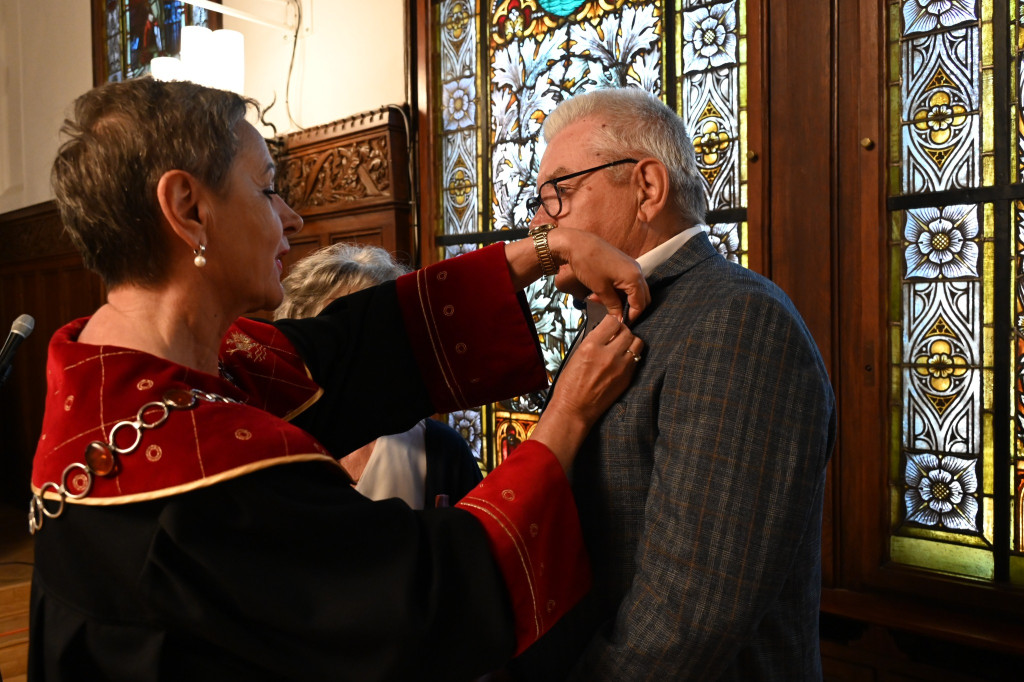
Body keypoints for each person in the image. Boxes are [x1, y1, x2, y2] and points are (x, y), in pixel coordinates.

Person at [27, 78, 650, 681]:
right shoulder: (197, 481)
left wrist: (543, 251)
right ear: (190, 209)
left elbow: (347, 351)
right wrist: (564, 420)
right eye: (268, 190)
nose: (292, 218)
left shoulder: (114, 376)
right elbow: (416, 598)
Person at [509, 88, 837, 679]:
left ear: (647, 189)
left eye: (560, 192)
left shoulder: (738, 321)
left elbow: (689, 619)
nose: (542, 222)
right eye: (539, 201)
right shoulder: (629, 308)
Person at [273, 242, 482, 509]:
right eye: (347, 334)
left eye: (378, 330)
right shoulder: (269, 443)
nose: (368, 349)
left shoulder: (441, 449)